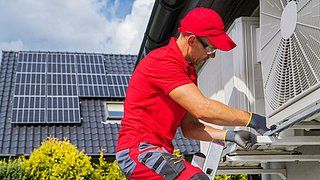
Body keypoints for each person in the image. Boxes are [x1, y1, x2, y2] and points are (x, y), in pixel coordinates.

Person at [116, 7, 269, 180]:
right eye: (210, 49)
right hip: (139, 151)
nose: (212, 56)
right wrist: (251, 119)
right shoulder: (163, 61)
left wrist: (230, 135)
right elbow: (202, 108)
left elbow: (190, 127)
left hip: (157, 151)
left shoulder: (187, 72)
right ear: (192, 40)